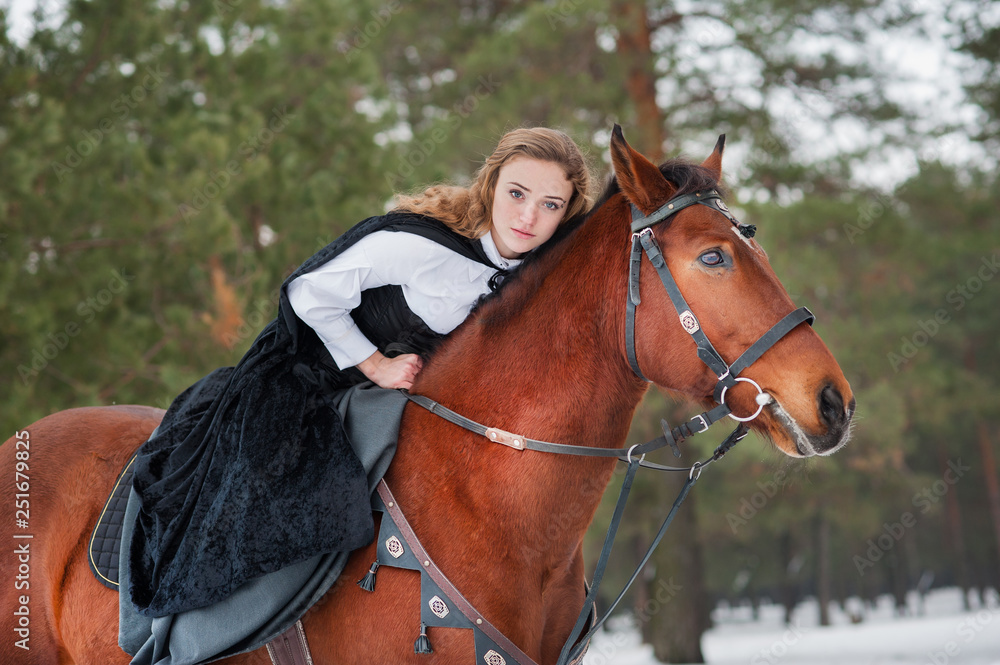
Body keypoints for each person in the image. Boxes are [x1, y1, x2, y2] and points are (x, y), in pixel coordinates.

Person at [118, 127, 594, 663]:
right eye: (517, 193)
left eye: (549, 204)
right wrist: (376, 363)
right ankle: (197, 641)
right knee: (279, 500)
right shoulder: (418, 246)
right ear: (491, 186)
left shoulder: (532, 276)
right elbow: (307, 292)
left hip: (394, 401)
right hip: (308, 378)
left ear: (567, 212)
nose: (527, 217)